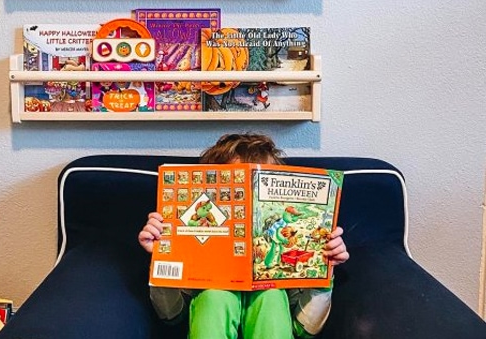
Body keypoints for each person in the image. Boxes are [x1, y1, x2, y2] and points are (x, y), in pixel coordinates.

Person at [138, 133, 350, 339]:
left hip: (273, 302)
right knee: (216, 295)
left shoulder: (283, 242)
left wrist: (324, 271)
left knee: (270, 296)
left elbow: (306, 329)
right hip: (210, 297)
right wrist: (160, 255)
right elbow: (170, 315)